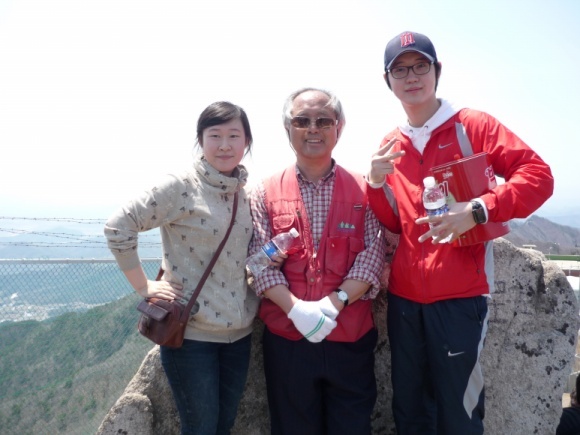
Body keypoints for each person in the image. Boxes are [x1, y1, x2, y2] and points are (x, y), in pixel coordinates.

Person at [366, 31, 554, 434]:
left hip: (460, 298)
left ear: (437, 71)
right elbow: (394, 222)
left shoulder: (472, 126)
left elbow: (538, 176)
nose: (411, 76)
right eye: (400, 70)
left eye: (420, 66)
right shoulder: (391, 143)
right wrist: (375, 184)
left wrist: (478, 210)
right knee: (409, 410)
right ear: (387, 80)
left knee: (459, 414)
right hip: (404, 300)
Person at [104, 101, 258, 435]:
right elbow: (118, 226)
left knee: (224, 426)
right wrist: (143, 286)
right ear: (200, 140)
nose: (225, 145)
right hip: (192, 335)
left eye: (234, 135)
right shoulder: (181, 186)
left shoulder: (244, 194)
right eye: (215, 135)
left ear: (247, 141)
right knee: (200, 428)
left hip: (240, 333)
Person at [248, 87, 387, 435]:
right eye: (302, 121)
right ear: (287, 128)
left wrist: (333, 303)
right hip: (287, 340)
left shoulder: (364, 189)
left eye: (324, 120)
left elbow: (372, 255)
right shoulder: (265, 192)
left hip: (350, 338)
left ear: (339, 127)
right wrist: (296, 310)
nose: (313, 129)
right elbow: (259, 262)